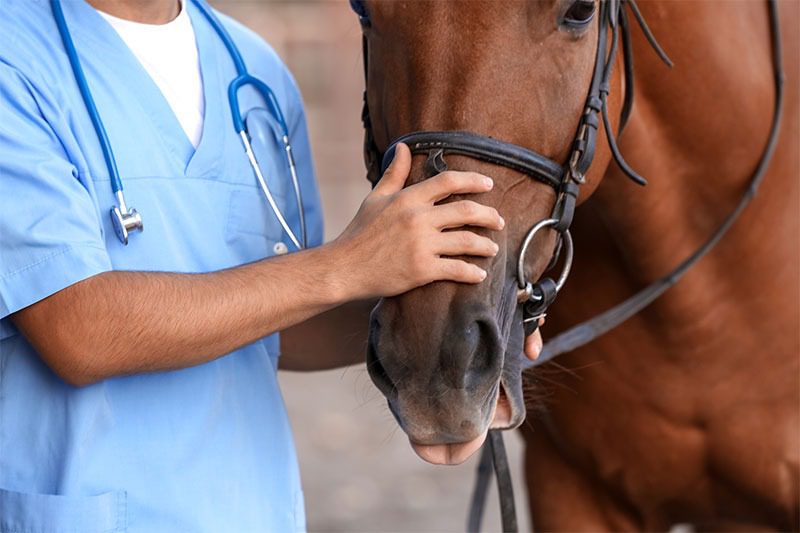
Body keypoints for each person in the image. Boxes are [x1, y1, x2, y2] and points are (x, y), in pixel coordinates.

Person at [0, 0, 544, 531]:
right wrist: (346, 265)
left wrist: (451, 327)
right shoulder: (15, 57)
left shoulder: (255, 73)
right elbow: (77, 330)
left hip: (252, 510)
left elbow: (283, 321)